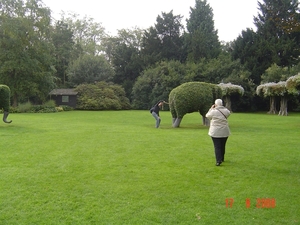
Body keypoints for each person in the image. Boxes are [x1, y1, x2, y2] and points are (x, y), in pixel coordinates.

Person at [205, 99, 231, 166]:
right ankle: (222, 158)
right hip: (225, 130)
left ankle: (218, 161)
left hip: (215, 131)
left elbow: (207, 116)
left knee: (217, 146)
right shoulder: (226, 111)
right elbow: (228, 113)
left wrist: (211, 109)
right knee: (223, 145)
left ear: (215, 104)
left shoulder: (213, 111)